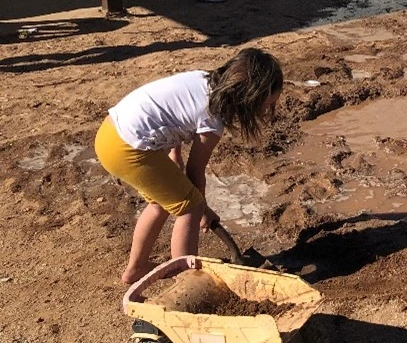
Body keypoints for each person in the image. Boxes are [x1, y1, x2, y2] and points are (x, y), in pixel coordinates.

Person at [94, 49, 284, 284]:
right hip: (129, 148)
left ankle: (137, 268)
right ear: (248, 98)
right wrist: (200, 209)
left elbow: (171, 111)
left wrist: (175, 157)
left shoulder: (202, 80)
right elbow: (196, 172)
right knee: (189, 207)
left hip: (110, 135)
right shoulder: (212, 118)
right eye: (265, 105)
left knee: (161, 202)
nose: (266, 111)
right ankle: (187, 281)